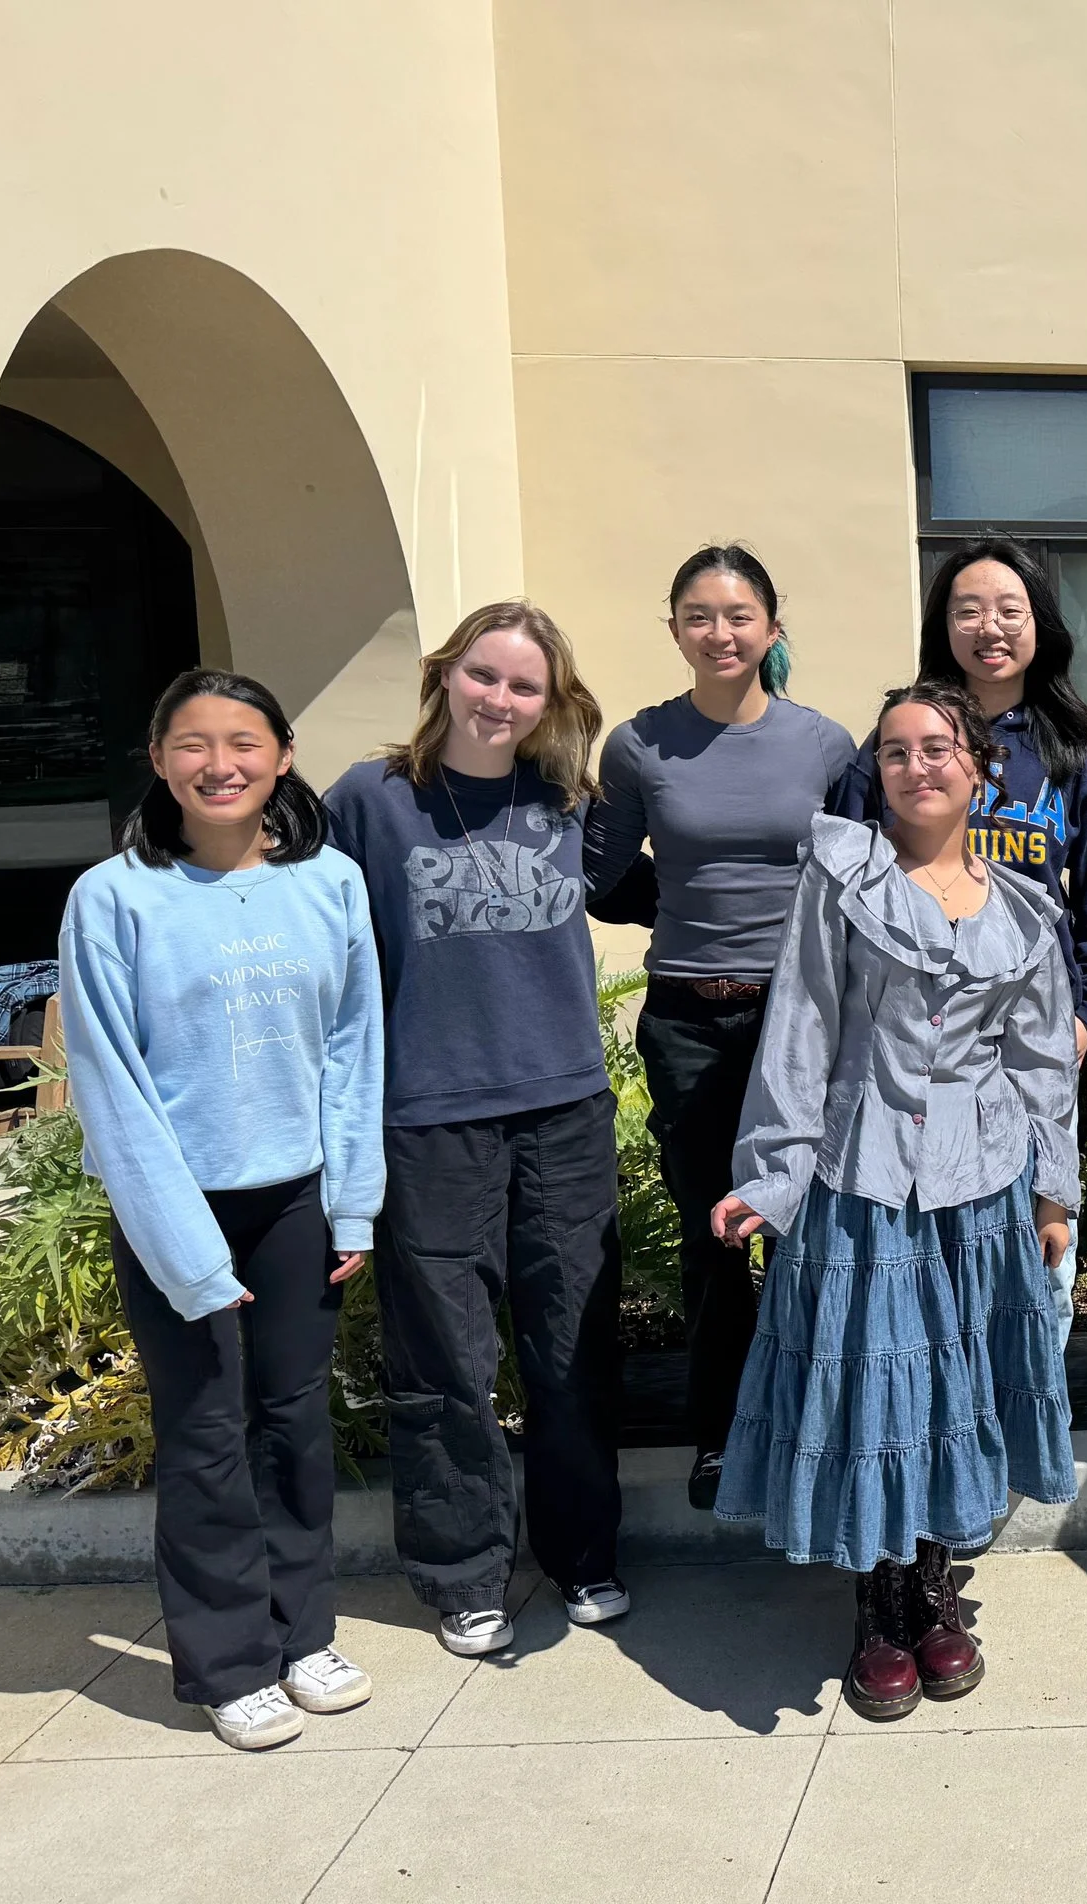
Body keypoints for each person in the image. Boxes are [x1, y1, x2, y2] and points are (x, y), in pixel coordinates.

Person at [710, 679, 1078, 1721]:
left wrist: (1053, 1190)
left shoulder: (1020, 910)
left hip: (981, 1183)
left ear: (978, 766)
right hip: (861, 1170)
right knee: (877, 1386)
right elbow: (802, 1025)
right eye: (896, 750)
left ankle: (930, 1586)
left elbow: (1043, 1059)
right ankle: (877, 1602)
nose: (917, 765)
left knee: (948, 1388)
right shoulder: (842, 874)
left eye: (937, 746)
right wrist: (769, 1177)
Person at [60, 670, 383, 1750]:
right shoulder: (112, 897)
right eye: (191, 744)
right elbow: (110, 1083)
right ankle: (230, 1658)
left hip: (295, 1198)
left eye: (242, 740)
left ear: (282, 755)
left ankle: (304, 1635)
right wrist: (188, 1251)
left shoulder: (330, 881)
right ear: (158, 761)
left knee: (294, 1426)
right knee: (204, 1435)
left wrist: (353, 1201)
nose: (219, 763)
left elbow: (353, 1047)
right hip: (175, 1209)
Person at [324, 601, 627, 1658]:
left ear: (553, 701)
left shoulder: (566, 801)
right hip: (431, 1118)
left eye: (525, 685)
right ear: (446, 675)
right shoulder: (371, 799)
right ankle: (463, 1575)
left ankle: (584, 1552)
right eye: (484, 676)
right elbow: (317, 935)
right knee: (445, 1360)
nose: (501, 699)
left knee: (570, 1344)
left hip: (563, 1110)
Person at [585, 546, 856, 1508]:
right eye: (699, 615)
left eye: (740, 616)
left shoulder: (824, 746)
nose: (721, 633)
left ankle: (812, 1428)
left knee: (807, 1231)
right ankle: (722, 1434)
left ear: (772, 631)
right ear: (674, 631)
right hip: (689, 1022)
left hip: (801, 1024)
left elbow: (857, 881)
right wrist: (683, 907)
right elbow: (600, 872)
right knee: (717, 1237)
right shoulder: (638, 746)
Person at [833, 538, 1087, 1349]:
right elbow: (844, 890)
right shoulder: (898, 744)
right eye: (968, 610)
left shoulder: (1073, 756)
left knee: (1041, 1236)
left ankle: (1021, 1421)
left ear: (1040, 627)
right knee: (920, 1240)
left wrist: (1085, 1016)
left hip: (1030, 1041)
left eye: (1010, 610)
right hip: (913, 1044)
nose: (989, 628)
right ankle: (940, 1420)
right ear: (942, 626)